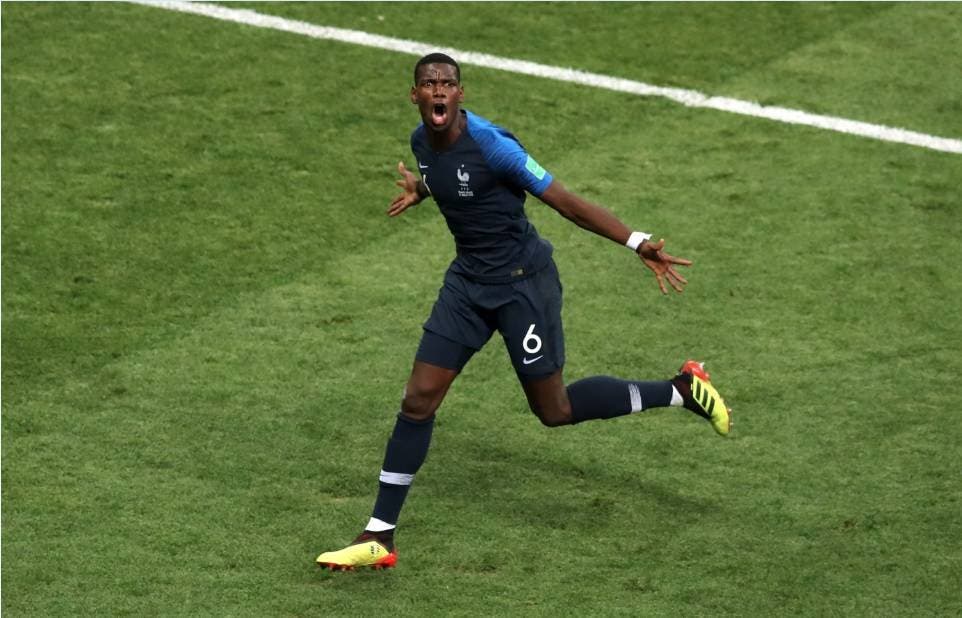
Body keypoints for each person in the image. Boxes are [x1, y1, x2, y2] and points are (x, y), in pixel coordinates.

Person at [316, 53, 731, 571]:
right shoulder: (421, 143)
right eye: (429, 83)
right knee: (418, 398)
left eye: (448, 83)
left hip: (522, 287)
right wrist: (423, 190)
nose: (439, 90)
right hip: (467, 285)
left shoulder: (495, 147)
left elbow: (566, 201)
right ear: (416, 95)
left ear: (460, 95)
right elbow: (450, 176)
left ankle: (680, 390)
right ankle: (379, 533)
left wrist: (637, 242)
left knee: (553, 410)